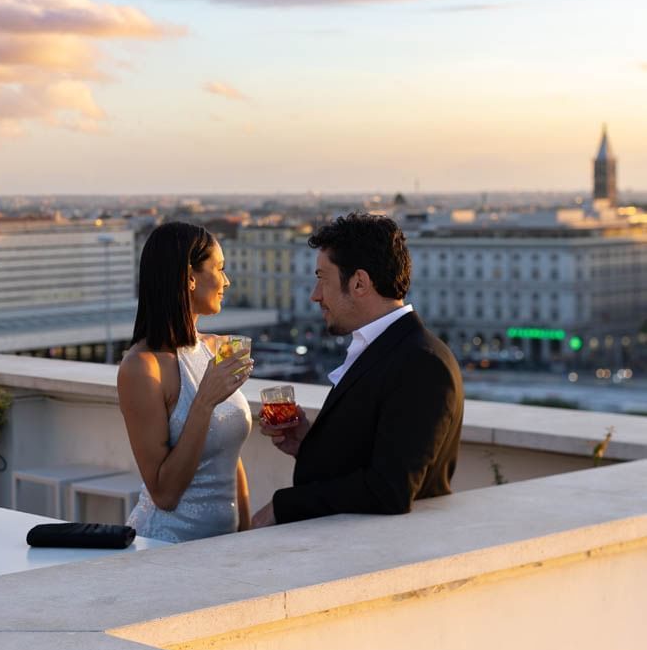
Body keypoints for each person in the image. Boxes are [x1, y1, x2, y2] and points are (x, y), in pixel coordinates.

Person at [251, 213, 463, 527]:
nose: (315, 294)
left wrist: (282, 506)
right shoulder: (391, 349)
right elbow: (367, 456)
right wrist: (310, 445)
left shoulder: (422, 363)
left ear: (359, 283)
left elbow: (389, 490)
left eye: (322, 278)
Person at [118, 222, 253, 542]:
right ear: (189, 277)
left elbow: (230, 455)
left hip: (224, 545)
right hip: (165, 547)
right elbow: (164, 494)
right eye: (219, 269)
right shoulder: (142, 368)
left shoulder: (216, 348)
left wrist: (247, 536)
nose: (227, 281)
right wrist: (204, 401)